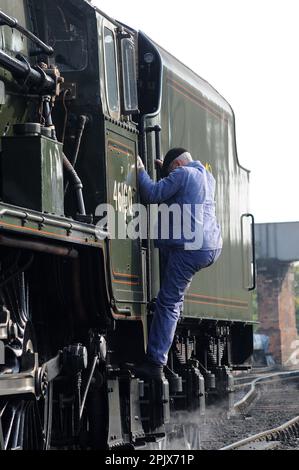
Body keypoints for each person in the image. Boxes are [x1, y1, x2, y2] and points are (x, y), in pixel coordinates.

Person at [134, 148, 223, 379]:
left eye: (169, 171)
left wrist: (140, 169)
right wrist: (166, 167)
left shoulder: (182, 174)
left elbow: (151, 194)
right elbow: (181, 179)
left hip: (190, 248)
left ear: (176, 166)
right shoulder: (205, 175)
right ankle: (166, 334)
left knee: (168, 302)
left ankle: (155, 361)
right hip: (210, 246)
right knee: (174, 299)